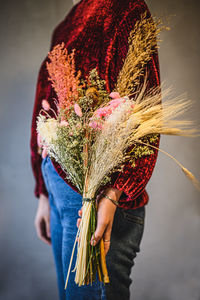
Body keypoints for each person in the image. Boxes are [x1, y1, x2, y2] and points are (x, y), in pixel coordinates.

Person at [30, 0, 160, 299]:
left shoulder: (125, 8)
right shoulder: (65, 24)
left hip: (95, 188)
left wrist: (115, 191)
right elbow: (43, 108)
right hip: (58, 185)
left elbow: (146, 109)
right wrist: (43, 192)